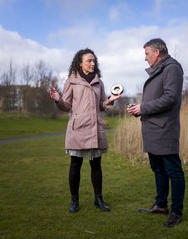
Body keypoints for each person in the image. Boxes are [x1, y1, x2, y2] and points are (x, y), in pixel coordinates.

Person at [49, 48, 121, 213]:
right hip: (78, 128)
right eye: (89, 60)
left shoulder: (99, 82)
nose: (92, 63)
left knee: (96, 165)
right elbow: (66, 106)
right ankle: (74, 200)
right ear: (80, 63)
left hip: (95, 127)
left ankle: (99, 199)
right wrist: (58, 100)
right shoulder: (71, 81)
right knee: (75, 164)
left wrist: (111, 100)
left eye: (94, 61)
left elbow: (102, 105)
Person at [127, 38, 185, 227]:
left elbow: (170, 98)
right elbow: (157, 99)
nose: (145, 58)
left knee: (173, 171)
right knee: (158, 169)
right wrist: (140, 110)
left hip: (165, 129)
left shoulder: (172, 68)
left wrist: (143, 107)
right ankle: (161, 205)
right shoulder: (161, 68)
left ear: (157, 52)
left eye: (147, 53)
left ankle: (176, 212)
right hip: (153, 129)